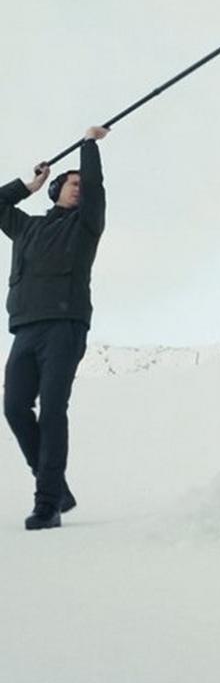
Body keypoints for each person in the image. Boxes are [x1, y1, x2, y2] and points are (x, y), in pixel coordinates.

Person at [0, 127, 109, 530]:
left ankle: (47, 503)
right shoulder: (26, 228)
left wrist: (89, 146)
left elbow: (96, 186)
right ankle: (57, 487)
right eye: (71, 183)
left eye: (82, 183)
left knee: (52, 410)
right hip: (25, 328)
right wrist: (29, 184)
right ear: (56, 190)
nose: (79, 189)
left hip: (65, 326)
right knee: (13, 408)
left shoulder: (85, 226)